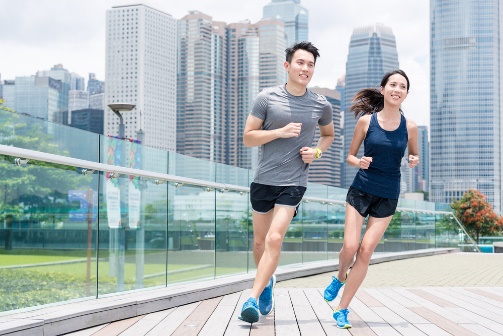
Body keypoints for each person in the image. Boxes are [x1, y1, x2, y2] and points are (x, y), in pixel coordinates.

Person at [238, 41, 335, 324]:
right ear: (287, 66)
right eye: (301, 63)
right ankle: (267, 283)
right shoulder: (266, 98)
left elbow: (327, 135)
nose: (306, 68)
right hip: (264, 180)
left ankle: (252, 298)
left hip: (295, 181)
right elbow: (248, 137)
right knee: (259, 243)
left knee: (275, 238)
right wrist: (279, 132)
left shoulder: (321, 104)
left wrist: (316, 151)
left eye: (310, 65)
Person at [323, 69, 419, 329]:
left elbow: (413, 155)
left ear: (406, 94)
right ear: (383, 89)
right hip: (361, 190)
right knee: (350, 246)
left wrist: (413, 160)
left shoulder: (410, 127)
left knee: (365, 252)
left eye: (402, 86)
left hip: (388, 195)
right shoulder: (366, 121)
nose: (397, 89)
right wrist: (360, 161)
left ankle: (342, 309)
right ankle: (340, 276)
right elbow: (350, 156)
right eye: (393, 85)